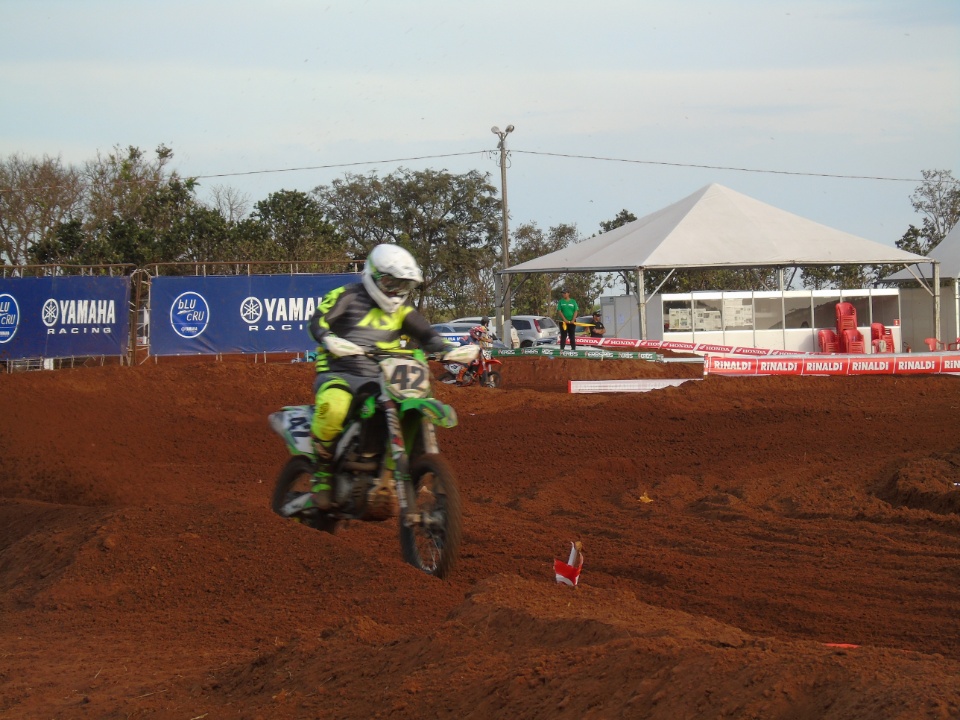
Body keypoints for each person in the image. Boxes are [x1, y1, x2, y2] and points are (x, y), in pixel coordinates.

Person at [305, 243, 449, 511]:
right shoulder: (347, 295)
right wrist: (329, 339)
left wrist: (451, 349)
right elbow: (318, 322)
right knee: (335, 408)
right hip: (341, 371)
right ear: (372, 275)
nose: (396, 291)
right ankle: (323, 476)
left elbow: (428, 335)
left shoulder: (402, 309)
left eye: (403, 285)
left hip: (386, 375)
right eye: (390, 282)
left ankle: (406, 472)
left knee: (416, 409)